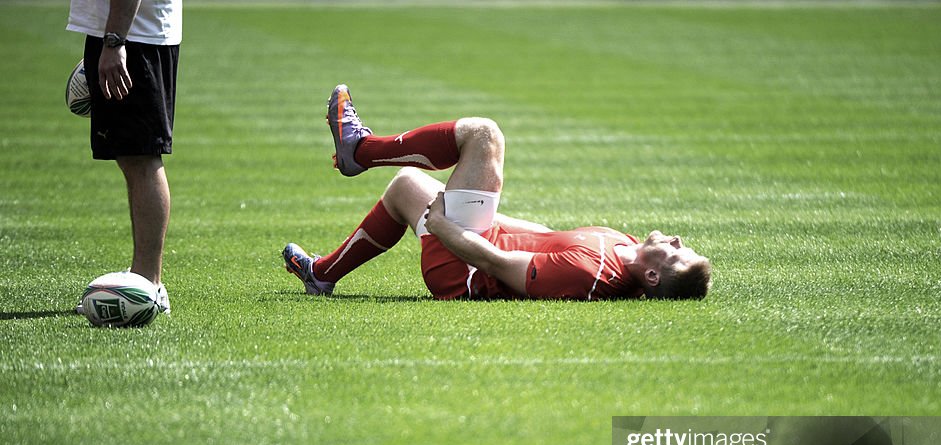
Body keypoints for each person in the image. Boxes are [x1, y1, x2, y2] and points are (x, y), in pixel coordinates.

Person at [283, 84, 710, 301]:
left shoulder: (593, 274)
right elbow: (543, 233)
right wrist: (479, 214)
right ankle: (322, 275)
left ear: (653, 276)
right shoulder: (623, 246)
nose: (675, 240)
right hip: (477, 237)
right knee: (406, 186)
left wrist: (444, 225)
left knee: (483, 134)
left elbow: (496, 263)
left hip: (463, 269)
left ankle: (360, 150)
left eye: (677, 253)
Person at [68, 0, 182, 313]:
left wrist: (114, 40)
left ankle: (149, 285)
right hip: (127, 34)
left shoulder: (125, 38)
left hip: (134, 37)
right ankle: (146, 279)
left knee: (142, 156)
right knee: (131, 156)